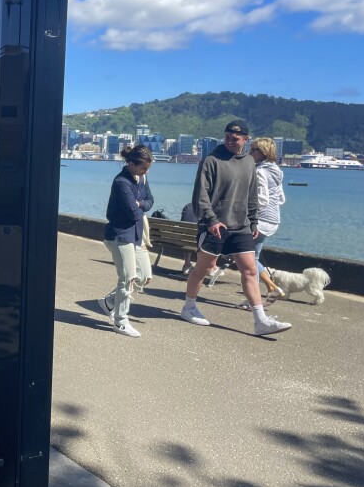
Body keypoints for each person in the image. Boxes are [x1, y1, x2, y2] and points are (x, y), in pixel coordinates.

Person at [179, 120, 292, 336]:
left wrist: (254, 221)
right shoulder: (211, 160)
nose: (231, 141)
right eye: (228, 137)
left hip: (241, 226)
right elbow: (200, 194)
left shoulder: (249, 162)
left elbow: (252, 194)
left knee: (249, 269)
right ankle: (189, 307)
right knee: (204, 267)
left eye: (236, 138)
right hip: (215, 226)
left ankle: (260, 320)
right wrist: (211, 220)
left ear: (246, 140)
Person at [98, 145, 154, 337]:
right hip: (120, 234)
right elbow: (133, 212)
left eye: (147, 168)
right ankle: (120, 321)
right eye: (143, 168)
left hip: (136, 234)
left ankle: (109, 302)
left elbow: (150, 201)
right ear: (131, 164)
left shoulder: (142, 178)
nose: (146, 172)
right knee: (127, 278)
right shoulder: (121, 182)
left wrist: (140, 204)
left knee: (144, 275)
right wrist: (140, 205)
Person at [240, 137, 286, 307]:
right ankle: (266, 291)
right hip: (273, 221)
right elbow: (281, 199)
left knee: (243, 258)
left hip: (259, 221)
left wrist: (244, 208)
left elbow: (262, 200)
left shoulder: (259, 172)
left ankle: (264, 291)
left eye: (253, 150)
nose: (249, 153)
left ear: (263, 153)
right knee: (253, 257)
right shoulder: (276, 171)